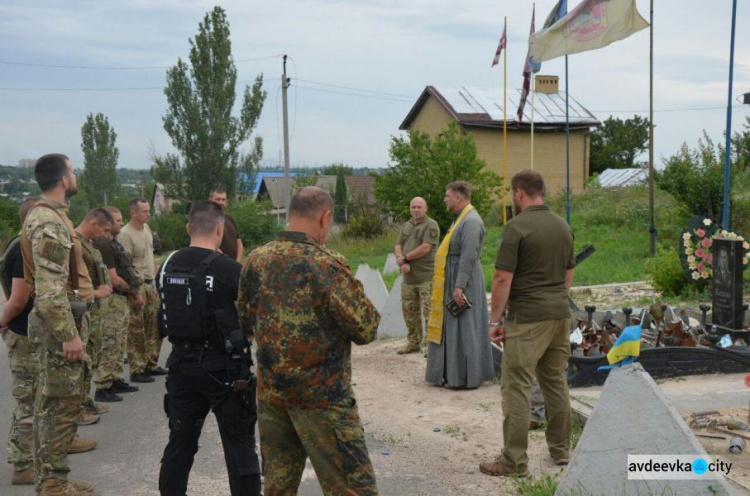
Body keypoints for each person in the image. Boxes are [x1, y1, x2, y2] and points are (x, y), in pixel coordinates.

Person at [239, 186, 380, 495]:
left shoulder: (256, 261)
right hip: (324, 400)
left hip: (274, 397)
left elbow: (245, 320)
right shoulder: (327, 264)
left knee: (278, 488)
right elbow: (367, 328)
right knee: (353, 488)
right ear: (325, 217)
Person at [157, 201, 261, 496]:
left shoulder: (167, 265)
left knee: (180, 442)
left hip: (180, 365)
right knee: (240, 445)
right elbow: (252, 314)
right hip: (225, 370)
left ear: (188, 228)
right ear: (220, 229)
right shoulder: (230, 269)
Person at [480, 170, 575, 478]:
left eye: (512, 193)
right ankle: (561, 451)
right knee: (555, 382)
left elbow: (502, 277)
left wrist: (495, 319)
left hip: (528, 318)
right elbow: (568, 273)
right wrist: (556, 299)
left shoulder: (516, 227)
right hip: (560, 315)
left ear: (519, 192)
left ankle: (513, 461)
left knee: (517, 387)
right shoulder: (562, 226)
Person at [20, 154, 99, 494]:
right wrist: (69, 335)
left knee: (55, 405)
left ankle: (52, 478)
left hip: (61, 320)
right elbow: (50, 290)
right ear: (64, 180)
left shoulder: (52, 217)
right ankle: (52, 483)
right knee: (58, 406)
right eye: (73, 170)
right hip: (58, 327)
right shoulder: (49, 221)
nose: (76, 175)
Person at [425, 181, 494, 389]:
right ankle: (452, 375)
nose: (445, 199)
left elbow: (469, 256)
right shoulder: (459, 219)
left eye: (447, 195)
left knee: (466, 327)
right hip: (454, 277)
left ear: (458, 197)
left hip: (464, 281)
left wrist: (459, 287)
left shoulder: (471, 221)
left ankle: (467, 378)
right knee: (455, 328)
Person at [93, 207, 142, 399]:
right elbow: (112, 278)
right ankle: (103, 385)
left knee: (119, 342)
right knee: (110, 341)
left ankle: (115, 379)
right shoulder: (103, 245)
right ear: (108, 223)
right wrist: (132, 291)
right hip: (112, 300)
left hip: (121, 298)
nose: (121, 224)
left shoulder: (113, 243)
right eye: (118, 220)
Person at [118, 198, 165, 383]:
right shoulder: (125, 234)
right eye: (144, 211)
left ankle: (151, 363)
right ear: (133, 213)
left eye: (148, 210)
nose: (148, 214)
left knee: (154, 325)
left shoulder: (146, 229)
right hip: (136, 285)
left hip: (149, 282)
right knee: (136, 329)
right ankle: (137, 368)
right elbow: (125, 266)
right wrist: (132, 291)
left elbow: (150, 255)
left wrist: (155, 280)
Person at [394, 196, 440, 354]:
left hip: (426, 278)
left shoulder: (431, 225)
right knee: (409, 312)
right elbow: (398, 245)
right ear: (410, 209)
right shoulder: (406, 225)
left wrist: (405, 258)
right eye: (413, 207)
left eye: (419, 207)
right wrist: (402, 262)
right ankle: (413, 342)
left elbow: (426, 248)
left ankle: (430, 346)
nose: (416, 210)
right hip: (408, 279)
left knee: (429, 313)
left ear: (426, 209)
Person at [209, 188, 243, 262]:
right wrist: (225, 261)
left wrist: (237, 262)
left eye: (223, 199)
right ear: (210, 201)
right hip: (216, 263)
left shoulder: (230, 219)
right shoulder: (206, 220)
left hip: (233, 265)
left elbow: (239, 243)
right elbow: (207, 244)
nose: (221, 202)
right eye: (217, 199)